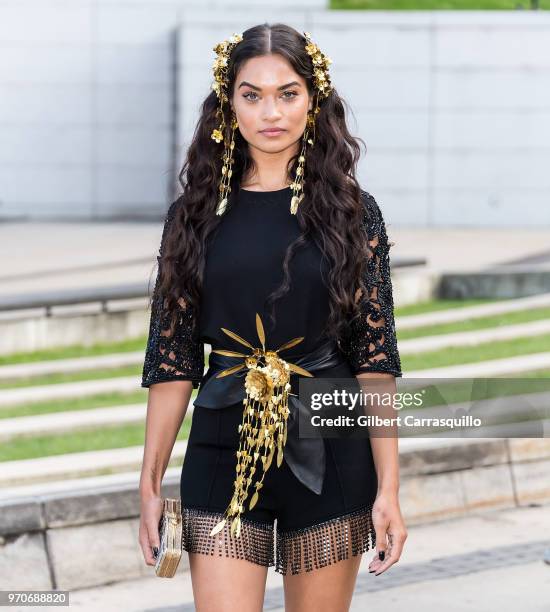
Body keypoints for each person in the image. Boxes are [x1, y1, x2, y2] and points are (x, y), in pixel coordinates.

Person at [138, 22, 408, 612]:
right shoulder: (192, 217)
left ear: (314, 101)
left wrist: (389, 488)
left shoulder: (354, 215)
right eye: (251, 94)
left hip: (332, 448)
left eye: (287, 93)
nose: (271, 112)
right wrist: (150, 482)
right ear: (226, 103)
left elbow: (375, 361)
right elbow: (171, 361)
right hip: (220, 451)